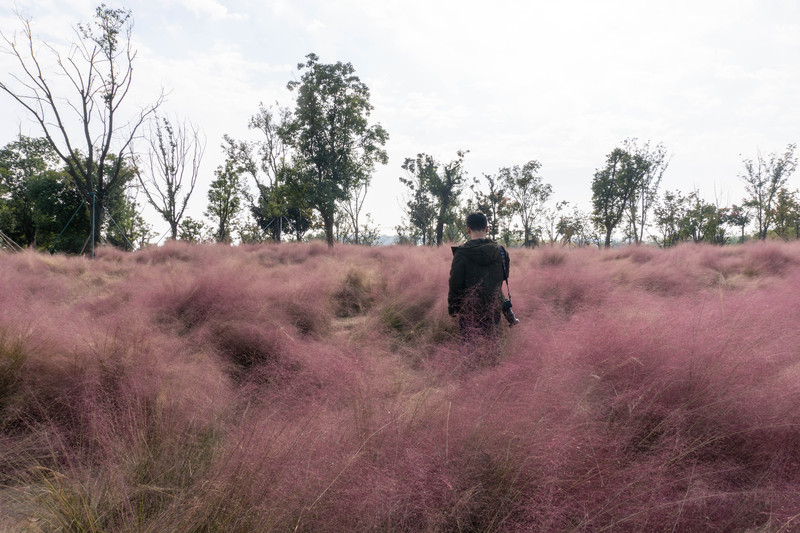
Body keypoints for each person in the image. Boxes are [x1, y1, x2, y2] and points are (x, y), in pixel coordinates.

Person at [448, 212, 509, 344]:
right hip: (493, 306)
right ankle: (494, 365)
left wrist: (453, 309)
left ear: (468, 230)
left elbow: (455, 284)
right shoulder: (501, 251)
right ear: (487, 229)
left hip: (469, 309)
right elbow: (504, 277)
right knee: (492, 343)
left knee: (469, 346)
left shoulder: (461, 254)